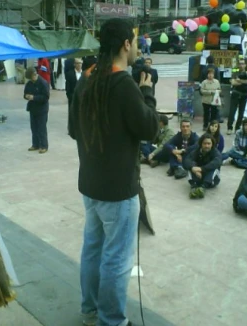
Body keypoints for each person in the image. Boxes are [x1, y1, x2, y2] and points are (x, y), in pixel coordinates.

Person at [67, 19, 159, 326]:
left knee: (92, 251)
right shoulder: (124, 85)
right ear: (126, 44)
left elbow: (73, 130)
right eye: (133, 41)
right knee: (116, 259)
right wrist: (146, 91)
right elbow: (150, 129)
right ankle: (112, 321)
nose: (135, 48)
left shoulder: (86, 78)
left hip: (90, 186)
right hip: (118, 191)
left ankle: (89, 311)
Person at [22, 68, 52, 154]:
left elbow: (46, 97)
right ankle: (35, 144)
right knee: (34, 127)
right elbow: (25, 93)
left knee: (41, 128)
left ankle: (44, 146)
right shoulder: (29, 83)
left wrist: (34, 98)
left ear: (35, 75)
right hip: (32, 108)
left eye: (32, 77)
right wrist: (26, 96)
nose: (31, 80)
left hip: (42, 109)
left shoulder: (43, 83)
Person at [184, 135, 223, 199]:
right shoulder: (197, 151)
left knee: (213, 167)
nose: (206, 146)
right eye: (204, 143)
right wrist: (193, 168)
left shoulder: (215, 152)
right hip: (199, 176)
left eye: (209, 144)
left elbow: (217, 162)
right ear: (201, 144)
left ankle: (202, 188)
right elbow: (187, 160)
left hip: (211, 180)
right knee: (191, 165)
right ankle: (194, 187)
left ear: (212, 144)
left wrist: (201, 169)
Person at [226, 59, 247, 134]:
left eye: (243, 64)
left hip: (244, 95)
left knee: (241, 112)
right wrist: (243, 82)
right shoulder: (235, 73)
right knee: (232, 111)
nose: (241, 65)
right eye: (240, 64)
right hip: (235, 94)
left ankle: (237, 128)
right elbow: (233, 83)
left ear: (245, 65)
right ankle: (229, 127)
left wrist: (239, 81)